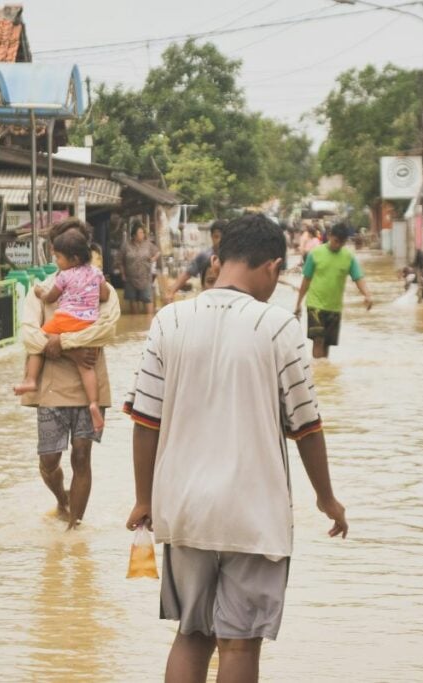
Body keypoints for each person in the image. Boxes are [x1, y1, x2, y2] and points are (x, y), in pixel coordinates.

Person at [125, 213, 348, 683]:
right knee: (240, 643)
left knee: (191, 634)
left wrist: (145, 499)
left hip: (183, 507)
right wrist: (327, 499)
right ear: (271, 266)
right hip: (253, 512)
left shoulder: (170, 320)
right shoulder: (280, 328)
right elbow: (306, 427)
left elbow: (145, 422)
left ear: (220, 258)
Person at [20, 218, 120, 530]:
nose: (57, 259)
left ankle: (75, 527)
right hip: (51, 388)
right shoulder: (42, 291)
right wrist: (73, 348)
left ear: (76, 253)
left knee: (81, 456)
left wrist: (59, 343)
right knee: (49, 461)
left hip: (89, 385)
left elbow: (106, 330)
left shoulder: (102, 287)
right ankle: (62, 501)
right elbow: (30, 336)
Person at [15, 228, 109, 432]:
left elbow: (48, 304)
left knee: (42, 338)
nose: (55, 260)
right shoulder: (97, 274)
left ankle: (30, 379)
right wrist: (72, 350)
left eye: (58, 256)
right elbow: (104, 298)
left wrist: (41, 293)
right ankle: (94, 402)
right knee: (87, 368)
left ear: (73, 257)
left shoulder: (62, 278)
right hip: (86, 329)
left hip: (66, 323)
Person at [294, 222, 373, 360]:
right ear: (330, 236)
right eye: (336, 241)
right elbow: (306, 280)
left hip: (334, 307)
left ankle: (324, 376)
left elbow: (358, 278)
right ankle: (318, 375)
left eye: (341, 243)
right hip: (315, 305)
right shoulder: (315, 254)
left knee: (326, 345)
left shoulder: (348, 257)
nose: (338, 245)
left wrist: (367, 295)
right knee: (318, 340)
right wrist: (298, 303)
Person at [165, 220, 225, 303]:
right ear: (211, 236)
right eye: (216, 236)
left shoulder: (233, 258)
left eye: (222, 237)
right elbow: (187, 273)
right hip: (208, 299)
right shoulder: (204, 256)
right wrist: (171, 292)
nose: (219, 240)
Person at [120, 223, 160, 315]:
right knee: (132, 300)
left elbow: (158, 252)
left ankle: (150, 322)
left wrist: (153, 259)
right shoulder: (126, 246)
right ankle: (136, 324)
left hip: (145, 277)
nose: (143, 235)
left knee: (148, 299)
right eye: (140, 233)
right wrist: (123, 274)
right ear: (134, 235)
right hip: (131, 278)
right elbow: (120, 261)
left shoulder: (148, 244)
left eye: (143, 233)